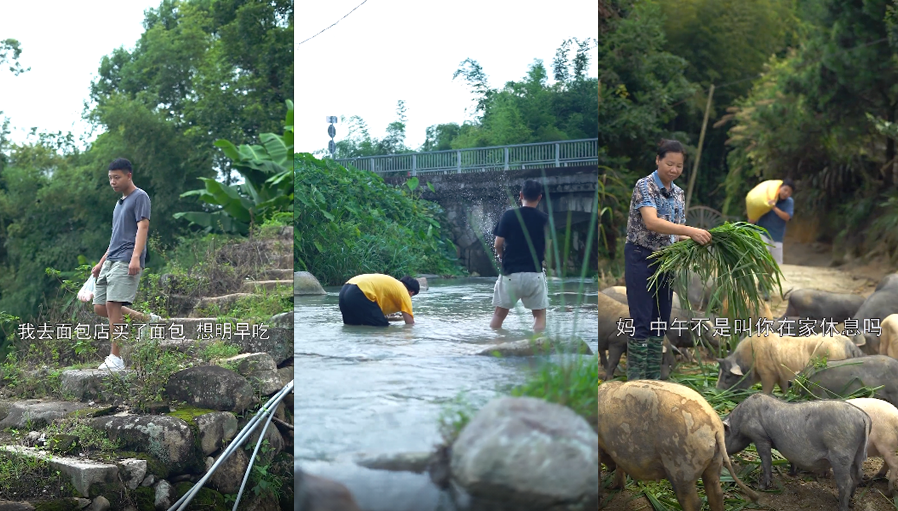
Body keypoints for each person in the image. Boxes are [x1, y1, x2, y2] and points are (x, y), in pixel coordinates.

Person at [624, 140, 712, 381]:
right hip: (641, 256)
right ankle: (634, 381)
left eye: (679, 166)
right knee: (641, 318)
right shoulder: (645, 186)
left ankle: (652, 378)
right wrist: (691, 230)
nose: (674, 170)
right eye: (669, 163)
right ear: (658, 160)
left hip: (667, 259)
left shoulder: (679, 193)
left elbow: (677, 233)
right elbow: (652, 222)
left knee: (661, 319)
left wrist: (698, 240)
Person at [92, 158, 159, 372]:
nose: (113, 181)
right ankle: (146, 319)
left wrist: (136, 257)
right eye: (110, 178)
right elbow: (115, 237)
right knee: (100, 307)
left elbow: (143, 227)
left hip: (127, 258)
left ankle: (116, 357)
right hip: (112, 259)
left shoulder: (140, 197)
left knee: (113, 305)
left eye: (117, 177)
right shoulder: (119, 203)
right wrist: (101, 262)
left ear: (129, 175)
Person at [489, 179, 550, 332]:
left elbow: (497, 244)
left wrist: (502, 256)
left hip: (510, 273)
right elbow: (547, 247)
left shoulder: (508, 216)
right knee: (539, 315)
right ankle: (538, 347)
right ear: (539, 197)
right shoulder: (544, 219)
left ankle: (494, 346)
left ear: (521, 195)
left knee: (499, 315)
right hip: (534, 274)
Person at [754, 178, 794, 300]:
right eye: (785, 189)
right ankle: (766, 287)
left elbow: (787, 217)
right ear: (780, 187)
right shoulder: (768, 196)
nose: (786, 193)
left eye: (789, 192)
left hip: (777, 236)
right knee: (765, 259)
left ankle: (763, 282)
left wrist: (774, 207)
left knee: (774, 264)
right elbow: (756, 208)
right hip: (762, 232)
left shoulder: (789, 202)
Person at [339, 274, 419, 327]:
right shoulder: (404, 292)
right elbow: (409, 324)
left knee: (352, 327)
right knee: (382, 327)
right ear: (411, 292)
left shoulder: (393, 285)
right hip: (360, 292)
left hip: (345, 290)